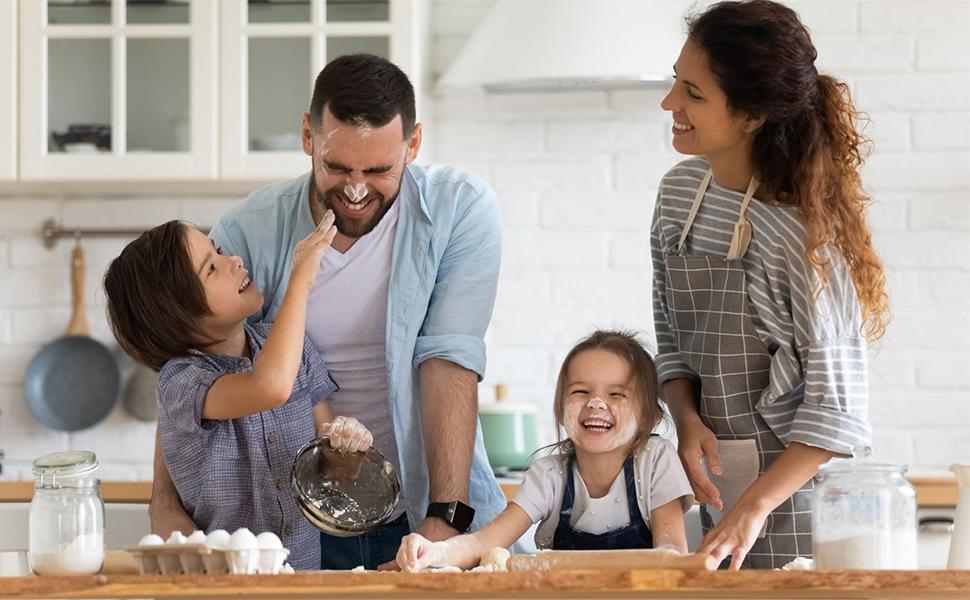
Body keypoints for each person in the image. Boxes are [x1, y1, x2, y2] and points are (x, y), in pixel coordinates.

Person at [147, 53, 508, 570]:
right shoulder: (248, 230)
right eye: (337, 167)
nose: (356, 190)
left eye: (379, 170)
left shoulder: (460, 210)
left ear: (414, 144)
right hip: (291, 527)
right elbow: (188, 364)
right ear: (307, 137)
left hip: (424, 513)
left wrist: (443, 518)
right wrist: (164, 502)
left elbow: (448, 359)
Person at [651, 0, 890, 569]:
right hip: (716, 485)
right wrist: (686, 421)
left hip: (801, 506)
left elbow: (836, 410)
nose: (670, 104)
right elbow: (672, 339)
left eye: (694, 93)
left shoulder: (800, 237)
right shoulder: (678, 193)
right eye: (675, 83)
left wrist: (753, 508)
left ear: (752, 116)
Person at [104, 214, 375, 570]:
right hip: (220, 589)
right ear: (177, 313)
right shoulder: (181, 383)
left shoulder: (297, 351)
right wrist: (302, 279)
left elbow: (329, 472)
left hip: (303, 584)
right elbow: (268, 387)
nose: (233, 260)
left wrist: (347, 447)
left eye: (218, 251)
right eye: (211, 269)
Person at [395, 331, 694, 571]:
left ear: (650, 417)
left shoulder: (656, 460)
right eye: (580, 391)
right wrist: (435, 552)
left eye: (616, 394)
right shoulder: (551, 475)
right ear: (560, 406)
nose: (596, 403)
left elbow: (672, 553)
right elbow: (485, 543)